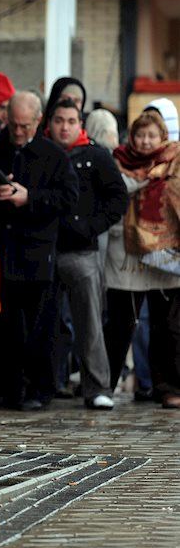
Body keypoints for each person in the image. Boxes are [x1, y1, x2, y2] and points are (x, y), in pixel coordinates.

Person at [0, 91, 78, 410]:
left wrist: (30, 198)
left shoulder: (54, 155)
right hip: (3, 250)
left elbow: (68, 199)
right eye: (14, 125)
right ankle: (7, 388)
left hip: (38, 254)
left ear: (38, 121)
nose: (19, 131)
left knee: (41, 326)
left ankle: (40, 389)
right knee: (4, 325)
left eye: (25, 125)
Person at [46, 98, 127, 410]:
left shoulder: (96, 155)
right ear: (49, 123)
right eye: (59, 120)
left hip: (82, 252)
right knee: (47, 322)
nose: (64, 127)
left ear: (80, 123)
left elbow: (118, 198)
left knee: (90, 323)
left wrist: (92, 226)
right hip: (46, 250)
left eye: (71, 121)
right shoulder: (41, 153)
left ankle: (97, 387)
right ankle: (46, 385)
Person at [107, 111, 180, 408]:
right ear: (132, 136)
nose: (146, 141)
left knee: (169, 326)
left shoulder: (174, 161)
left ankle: (168, 387)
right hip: (128, 252)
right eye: (141, 135)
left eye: (152, 135)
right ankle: (103, 384)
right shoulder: (118, 161)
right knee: (122, 321)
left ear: (162, 137)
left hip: (167, 251)